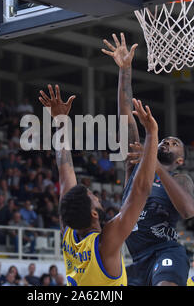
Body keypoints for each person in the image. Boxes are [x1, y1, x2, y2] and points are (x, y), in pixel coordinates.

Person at [38, 83, 159, 286]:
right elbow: (140, 190)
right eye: (93, 197)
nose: (97, 196)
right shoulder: (104, 244)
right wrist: (152, 135)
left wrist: (60, 122)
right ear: (94, 213)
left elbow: (65, 169)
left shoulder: (70, 233)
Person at [103, 33, 194, 286]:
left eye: (174, 143)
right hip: (136, 259)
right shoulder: (135, 164)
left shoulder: (181, 179)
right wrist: (125, 70)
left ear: (179, 160)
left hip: (166, 253)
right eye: (165, 139)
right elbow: (126, 116)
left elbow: (188, 210)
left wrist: (153, 161)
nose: (167, 142)